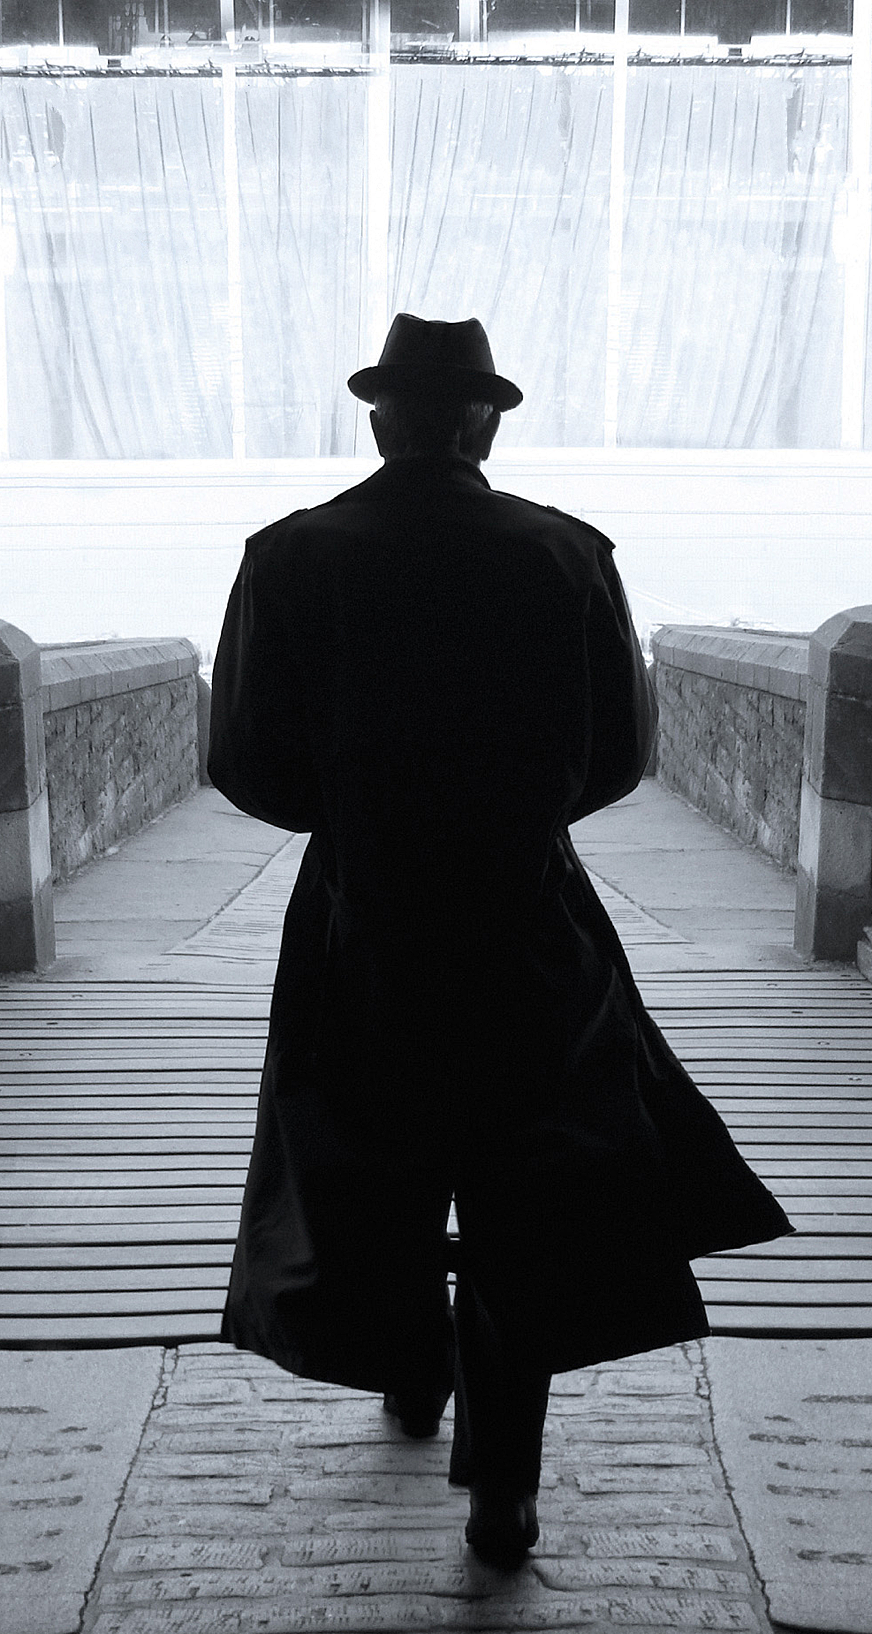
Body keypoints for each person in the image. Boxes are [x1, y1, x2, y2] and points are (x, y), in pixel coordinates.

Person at [208, 314, 792, 1568]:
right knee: (527, 1186)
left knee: (367, 1163)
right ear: (484, 422)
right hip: (527, 918)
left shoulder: (289, 555)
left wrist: (360, 809)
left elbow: (247, 761)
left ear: (379, 420)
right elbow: (616, 756)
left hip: (361, 916)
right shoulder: (566, 553)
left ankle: (410, 1372)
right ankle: (503, 1491)